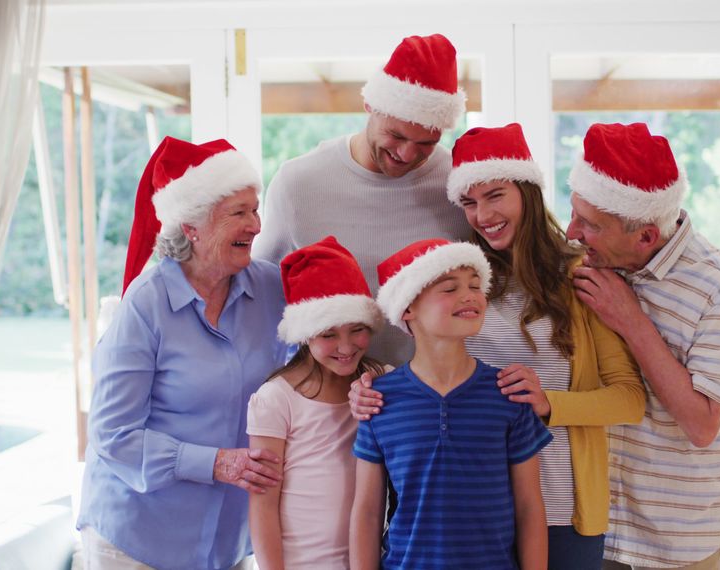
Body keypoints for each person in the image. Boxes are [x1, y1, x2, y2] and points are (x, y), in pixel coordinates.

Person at [350, 123, 646, 568]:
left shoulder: (578, 276)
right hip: (473, 509)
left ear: (525, 190)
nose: (482, 214)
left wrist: (549, 404)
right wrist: (372, 389)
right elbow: (433, 367)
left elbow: (629, 399)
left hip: (562, 503)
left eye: (495, 195)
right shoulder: (463, 279)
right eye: (469, 202)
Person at [77, 137, 288, 570]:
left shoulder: (270, 288)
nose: (257, 225)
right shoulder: (146, 303)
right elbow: (113, 434)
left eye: (255, 208)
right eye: (239, 213)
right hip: (138, 536)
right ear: (191, 227)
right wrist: (216, 463)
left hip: (228, 539)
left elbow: (317, 361)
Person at [565, 123, 720, 570]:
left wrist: (631, 319)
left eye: (589, 224)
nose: (571, 232)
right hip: (595, 529)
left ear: (646, 236)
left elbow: (702, 424)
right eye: (574, 213)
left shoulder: (718, 282)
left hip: (677, 540)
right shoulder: (589, 260)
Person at [254, 33, 472, 366]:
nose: (406, 153)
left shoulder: (458, 183)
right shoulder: (299, 183)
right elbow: (261, 295)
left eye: (426, 143)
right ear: (370, 105)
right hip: (331, 395)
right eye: (396, 135)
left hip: (432, 396)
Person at [350, 239, 552, 570]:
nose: (470, 295)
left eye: (475, 285)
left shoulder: (508, 393)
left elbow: (529, 506)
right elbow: (368, 511)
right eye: (449, 288)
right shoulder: (378, 401)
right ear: (408, 308)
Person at [246, 236, 387, 570]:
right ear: (306, 334)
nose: (346, 346)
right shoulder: (276, 398)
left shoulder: (382, 382)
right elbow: (262, 505)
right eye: (328, 334)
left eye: (357, 330)